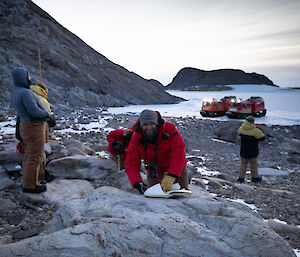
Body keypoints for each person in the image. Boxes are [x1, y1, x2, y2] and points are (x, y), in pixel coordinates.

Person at [10, 67, 55, 193]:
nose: (30, 79)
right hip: (33, 127)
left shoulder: (16, 91)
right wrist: (48, 116)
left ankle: (36, 178)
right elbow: (34, 112)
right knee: (34, 156)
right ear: (22, 78)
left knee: (30, 155)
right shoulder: (25, 93)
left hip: (25, 125)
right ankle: (30, 186)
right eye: (28, 76)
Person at [125, 109, 189, 194]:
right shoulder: (136, 137)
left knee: (182, 195)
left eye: (152, 124)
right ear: (141, 125)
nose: (149, 128)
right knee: (155, 196)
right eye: (145, 125)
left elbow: (179, 153)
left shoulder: (169, 129)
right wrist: (137, 183)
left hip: (176, 169)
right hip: (154, 171)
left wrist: (171, 175)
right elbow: (131, 163)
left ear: (157, 123)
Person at [237, 115, 265, 183]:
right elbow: (262, 138)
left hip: (243, 150)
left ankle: (241, 178)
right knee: (253, 164)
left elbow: (238, 133)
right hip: (253, 151)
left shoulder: (241, 129)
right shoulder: (255, 131)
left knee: (243, 163)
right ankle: (254, 177)